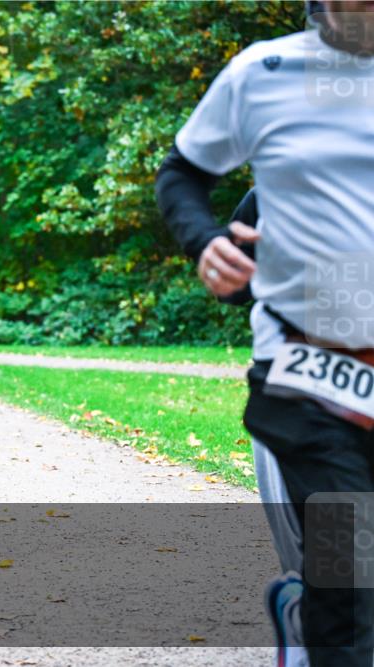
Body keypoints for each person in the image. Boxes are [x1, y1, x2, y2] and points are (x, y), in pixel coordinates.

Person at [156, 4, 374, 665]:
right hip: (316, 379)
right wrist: (208, 242)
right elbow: (183, 175)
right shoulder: (264, 72)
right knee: (351, 573)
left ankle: (307, 608)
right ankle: (323, 616)